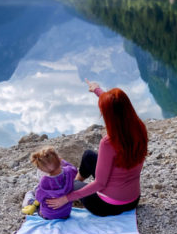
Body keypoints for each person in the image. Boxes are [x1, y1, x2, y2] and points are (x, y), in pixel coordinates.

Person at [46, 79, 148, 217]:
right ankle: (78, 182)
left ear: (109, 116)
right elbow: (117, 106)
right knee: (88, 156)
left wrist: (67, 198)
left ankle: (74, 187)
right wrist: (97, 90)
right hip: (133, 200)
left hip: (107, 206)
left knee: (72, 185)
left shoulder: (109, 142)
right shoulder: (139, 128)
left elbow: (100, 183)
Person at [21, 147, 77, 219]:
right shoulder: (69, 171)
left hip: (48, 215)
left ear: (42, 169)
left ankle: (28, 202)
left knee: (30, 193)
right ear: (59, 159)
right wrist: (62, 161)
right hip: (65, 213)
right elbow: (74, 169)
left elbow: (39, 198)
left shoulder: (44, 181)